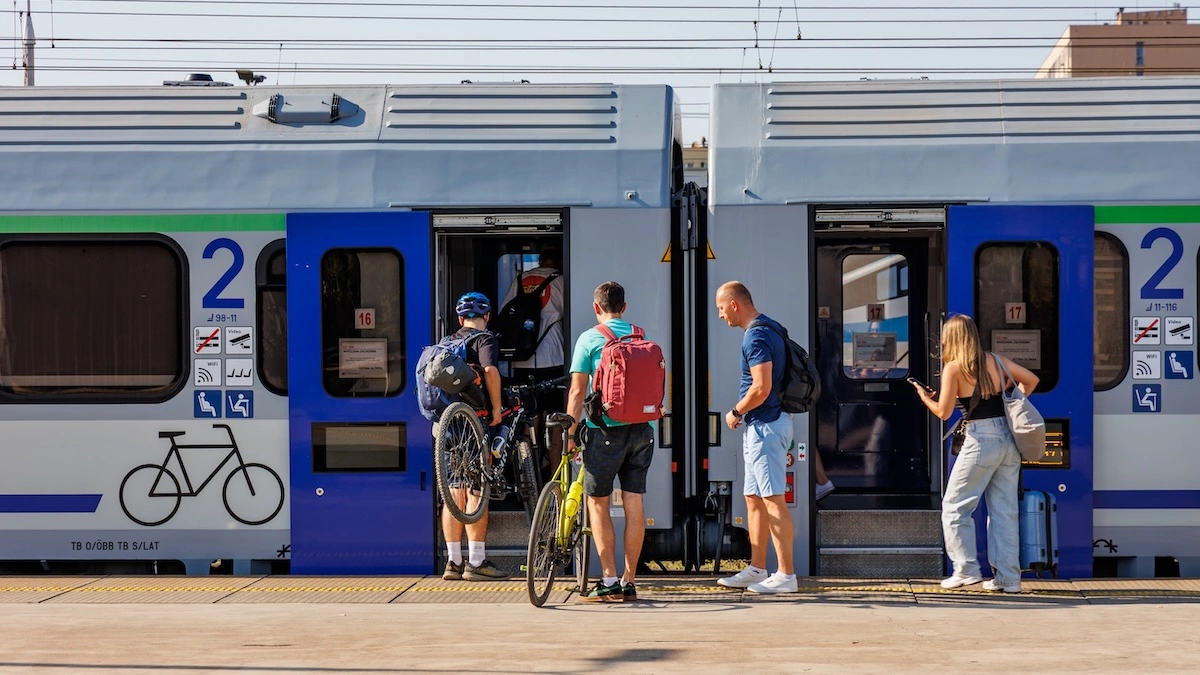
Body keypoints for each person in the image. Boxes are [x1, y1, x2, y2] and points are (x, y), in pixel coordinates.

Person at [912, 314, 1038, 593]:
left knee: (954, 507)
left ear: (951, 339)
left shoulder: (954, 368)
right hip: (1008, 439)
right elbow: (1031, 380)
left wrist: (924, 398)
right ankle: (1009, 579)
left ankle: (966, 570)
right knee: (1004, 512)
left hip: (981, 440)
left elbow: (943, 413)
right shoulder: (997, 361)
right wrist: (1013, 400)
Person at [565, 281, 655, 602]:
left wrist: (570, 434)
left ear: (596, 307)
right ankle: (629, 581)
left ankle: (608, 579)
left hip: (604, 432)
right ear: (624, 308)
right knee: (634, 503)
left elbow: (577, 392)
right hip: (642, 431)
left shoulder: (589, 338)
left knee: (598, 503)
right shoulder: (639, 336)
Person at [714, 281, 798, 594]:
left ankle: (786, 575)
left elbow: (761, 388)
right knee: (754, 497)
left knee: (773, 498)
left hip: (766, 426)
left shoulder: (757, 335)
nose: (721, 315)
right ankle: (757, 568)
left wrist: (736, 410)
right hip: (762, 425)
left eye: (721, 308)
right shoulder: (770, 328)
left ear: (734, 304)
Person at [439, 292, 509, 582]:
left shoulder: (446, 342)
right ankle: (477, 562)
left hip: (448, 424)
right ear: (487, 316)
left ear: (460, 320)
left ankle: (453, 561)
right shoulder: (484, 339)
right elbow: (490, 371)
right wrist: (496, 410)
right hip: (474, 423)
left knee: (454, 490)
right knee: (477, 489)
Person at [501, 246, 565, 381]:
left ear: (540, 261)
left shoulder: (520, 279)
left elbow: (505, 311)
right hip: (551, 352)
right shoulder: (561, 281)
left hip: (521, 354)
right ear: (560, 261)